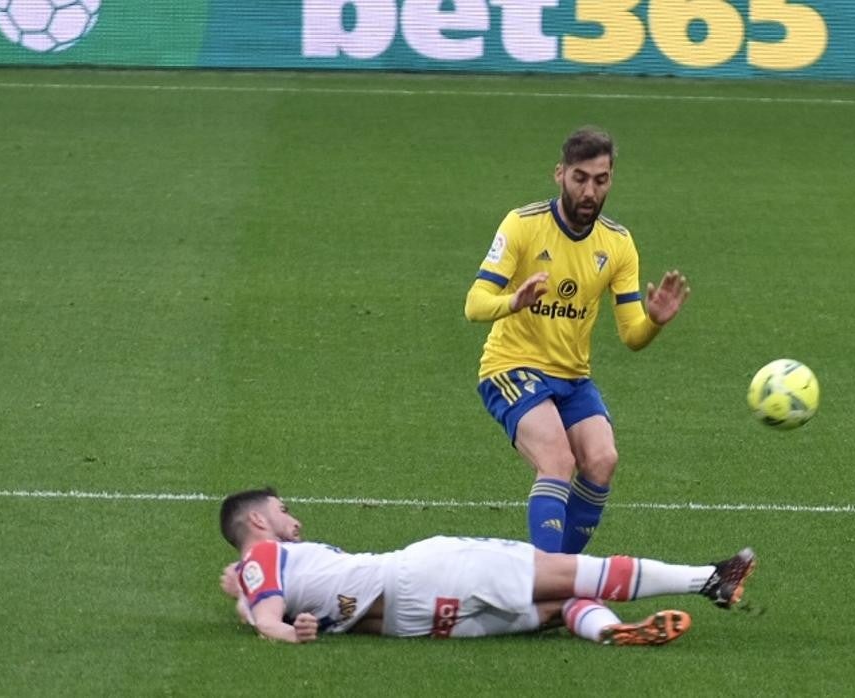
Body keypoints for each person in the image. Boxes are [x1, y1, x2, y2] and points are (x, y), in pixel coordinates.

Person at [464, 126, 690, 554]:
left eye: (600, 180)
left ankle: (556, 582)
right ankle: (549, 581)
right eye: (580, 178)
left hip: (571, 378)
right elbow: (474, 304)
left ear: (611, 180)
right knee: (558, 461)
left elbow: (631, 336)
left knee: (602, 460)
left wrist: (655, 322)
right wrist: (514, 301)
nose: (590, 191)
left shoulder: (618, 244)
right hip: (510, 368)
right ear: (560, 175)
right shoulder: (523, 224)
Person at [218, 488, 755, 646]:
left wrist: (249, 602)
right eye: (282, 510)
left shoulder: (256, 576)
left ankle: (612, 631)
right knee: (570, 571)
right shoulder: (263, 556)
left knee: (551, 609)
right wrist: (286, 633)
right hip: (420, 573)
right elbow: (267, 619)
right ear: (257, 523)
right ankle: (709, 579)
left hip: (421, 626)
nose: (295, 518)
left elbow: (258, 610)